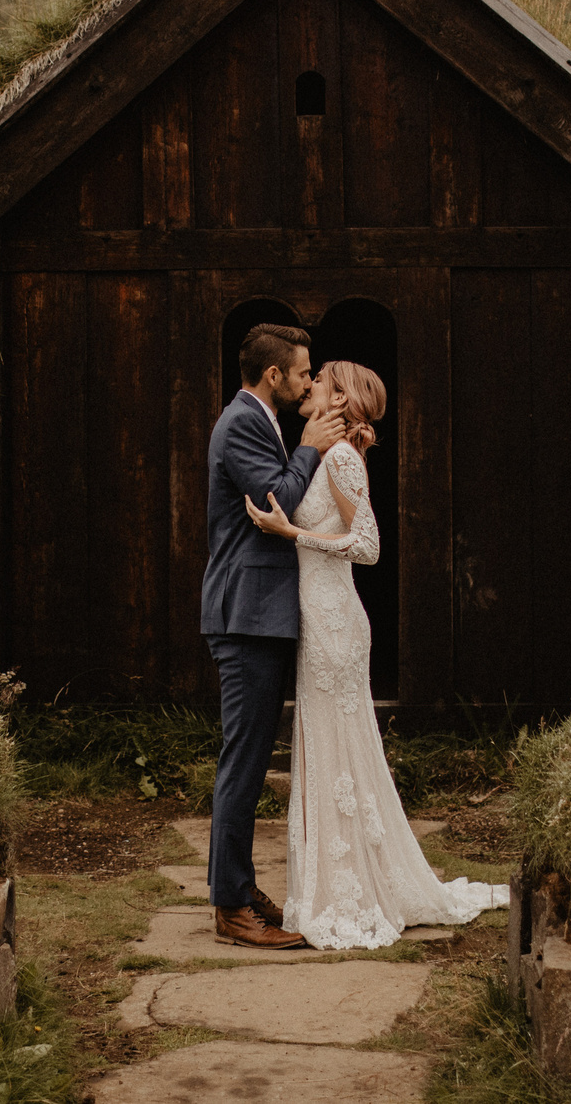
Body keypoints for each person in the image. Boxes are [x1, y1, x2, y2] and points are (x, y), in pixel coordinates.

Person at [245, 358, 510, 949]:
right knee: (323, 744)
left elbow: (367, 546)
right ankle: (332, 883)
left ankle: (347, 889)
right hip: (320, 616)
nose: (309, 384)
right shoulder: (322, 454)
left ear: (339, 398)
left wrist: (292, 535)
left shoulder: (340, 458)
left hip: (337, 619)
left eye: (320, 380)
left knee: (336, 744)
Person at [200, 322, 345, 949]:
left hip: (262, 613)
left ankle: (236, 887)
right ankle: (231, 907)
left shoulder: (260, 420)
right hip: (246, 614)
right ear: (272, 376)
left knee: (252, 759)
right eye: (303, 371)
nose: (310, 381)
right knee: (245, 760)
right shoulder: (242, 425)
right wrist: (311, 447)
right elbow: (274, 510)